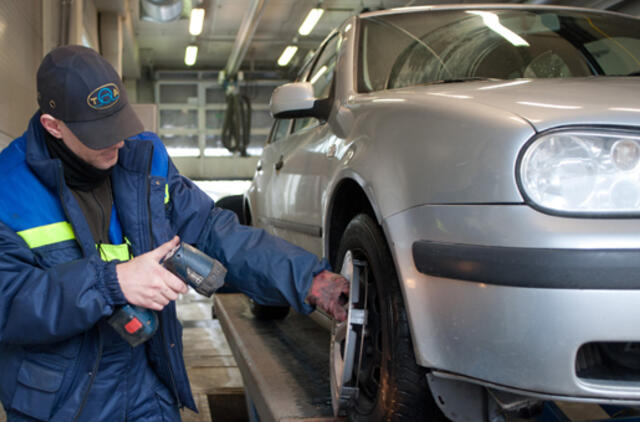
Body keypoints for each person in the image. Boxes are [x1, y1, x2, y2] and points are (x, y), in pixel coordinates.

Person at [0, 45, 349, 422]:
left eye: (119, 124)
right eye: (100, 134)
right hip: (66, 405)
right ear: (54, 126)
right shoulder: (7, 189)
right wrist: (110, 283)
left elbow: (213, 231)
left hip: (150, 387)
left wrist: (309, 278)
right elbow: (8, 301)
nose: (117, 141)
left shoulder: (143, 158)